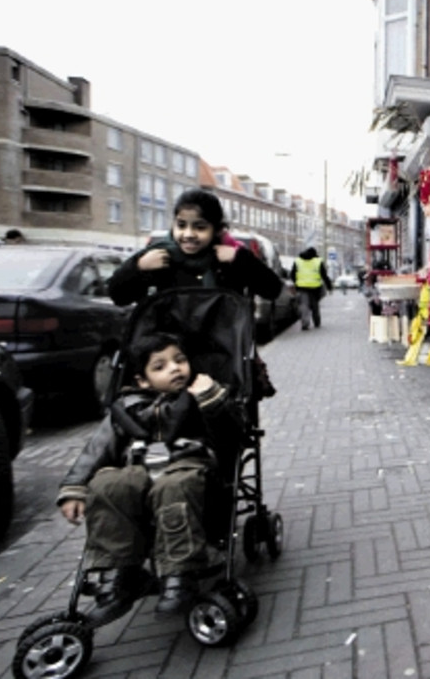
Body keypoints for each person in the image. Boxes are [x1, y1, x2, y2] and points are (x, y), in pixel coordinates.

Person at [56, 333, 240, 619]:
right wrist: (75, 486)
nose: (175, 369)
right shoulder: (127, 408)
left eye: (180, 360)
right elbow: (98, 448)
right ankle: (120, 574)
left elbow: (231, 438)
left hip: (189, 465)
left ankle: (181, 572)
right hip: (139, 469)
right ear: (142, 380)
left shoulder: (202, 393)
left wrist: (211, 399)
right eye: (160, 366)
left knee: (173, 486)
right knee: (106, 485)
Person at [108, 189, 282, 306]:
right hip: (172, 355)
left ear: (216, 229)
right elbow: (118, 296)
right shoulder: (160, 257)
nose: (188, 234)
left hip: (221, 355)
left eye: (200, 227)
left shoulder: (228, 260)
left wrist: (242, 259)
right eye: (181, 225)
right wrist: (138, 268)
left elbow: (273, 290)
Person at [291, 246, 332, 329]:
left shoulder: (298, 261)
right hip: (315, 288)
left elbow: (292, 274)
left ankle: (305, 323)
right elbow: (324, 275)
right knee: (315, 306)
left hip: (301, 287)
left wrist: (296, 282)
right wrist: (329, 286)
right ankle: (317, 322)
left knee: (304, 305)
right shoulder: (318, 261)